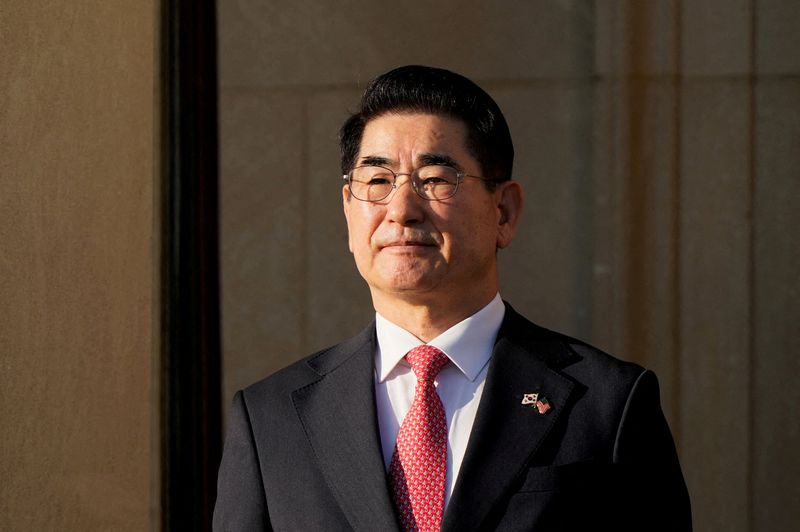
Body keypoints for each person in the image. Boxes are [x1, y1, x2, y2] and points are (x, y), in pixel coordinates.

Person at [213, 65, 692, 531]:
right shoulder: (270, 420)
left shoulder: (608, 404)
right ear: (348, 212)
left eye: (436, 179)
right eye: (377, 182)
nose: (400, 209)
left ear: (503, 211)